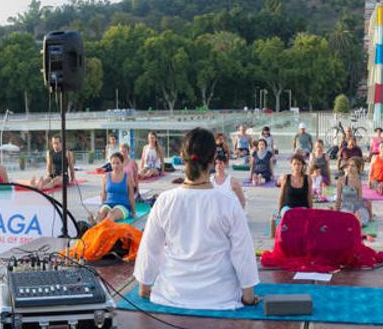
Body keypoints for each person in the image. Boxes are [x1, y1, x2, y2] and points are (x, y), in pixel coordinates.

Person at [134, 127, 260, 310]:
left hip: (170, 295)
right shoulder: (228, 202)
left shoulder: (165, 200)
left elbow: (150, 248)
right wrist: (248, 296)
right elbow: (243, 252)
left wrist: (145, 287)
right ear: (212, 161)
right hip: (221, 297)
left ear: (183, 157)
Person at [96, 152, 136, 223]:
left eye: (118, 163)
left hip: (122, 206)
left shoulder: (127, 178)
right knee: (100, 216)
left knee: (111, 215)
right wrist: (101, 208)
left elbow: (131, 196)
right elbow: (103, 194)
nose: (115, 165)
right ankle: (98, 232)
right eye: (113, 163)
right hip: (108, 204)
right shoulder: (105, 177)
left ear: (122, 163)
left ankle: (105, 232)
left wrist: (133, 212)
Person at [335, 157, 371, 226]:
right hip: (345, 207)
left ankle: (357, 220)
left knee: (363, 218)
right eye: (349, 165)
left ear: (357, 168)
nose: (350, 168)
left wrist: (358, 210)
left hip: (357, 206)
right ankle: (354, 220)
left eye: (353, 166)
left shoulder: (358, 181)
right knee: (346, 219)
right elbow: (338, 199)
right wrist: (336, 212)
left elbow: (359, 198)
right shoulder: (341, 180)